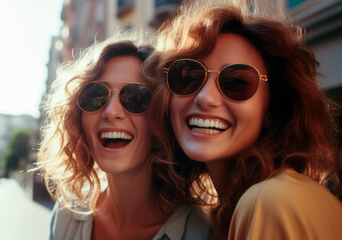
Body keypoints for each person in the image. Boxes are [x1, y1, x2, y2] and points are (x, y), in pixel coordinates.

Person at [144, 1, 342, 239]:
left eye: (236, 83)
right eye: (188, 77)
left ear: (272, 109)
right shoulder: (235, 207)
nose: (206, 98)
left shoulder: (271, 200)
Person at [38, 32, 209, 240]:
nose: (111, 111)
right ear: (78, 117)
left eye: (137, 97)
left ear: (162, 116)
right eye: (96, 95)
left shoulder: (201, 232)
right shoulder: (67, 214)